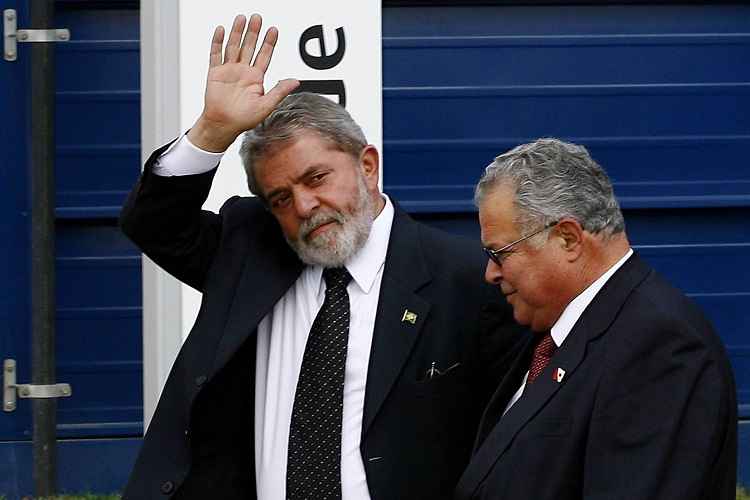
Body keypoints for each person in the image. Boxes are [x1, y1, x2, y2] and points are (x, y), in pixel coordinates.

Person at [119, 14, 521, 500]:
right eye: (281, 198)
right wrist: (212, 130)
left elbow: (512, 441)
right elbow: (153, 224)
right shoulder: (251, 249)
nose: (304, 206)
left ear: (367, 166)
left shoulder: (466, 280)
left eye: (316, 179)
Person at [455, 138, 737, 500]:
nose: (490, 273)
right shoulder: (554, 332)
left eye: (500, 253)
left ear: (568, 239)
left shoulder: (659, 348)